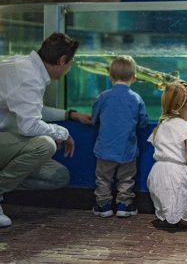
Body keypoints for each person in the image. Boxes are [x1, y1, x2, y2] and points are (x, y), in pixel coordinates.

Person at [0, 32, 92, 228]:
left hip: (5, 144)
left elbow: (31, 109)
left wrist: (70, 115)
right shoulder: (28, 77)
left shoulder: (27, 68)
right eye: (70, 64)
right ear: (62, 60)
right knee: (45, 145)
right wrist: (63, 133)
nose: (69, 69)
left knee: (57, 176)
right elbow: (29, 125)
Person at [147, 80, 187, 228]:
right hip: (178, 174)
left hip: (157, 174)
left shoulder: (159, 127)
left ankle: (169, 214)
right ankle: (183, 217)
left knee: (170, 189)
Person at [92, 56, 149, 218]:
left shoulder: (103, 97)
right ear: (134, 78)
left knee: (103, 178)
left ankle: (103, 206)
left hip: (105, 149)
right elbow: (143, 122)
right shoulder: (136, 98)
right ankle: (124, 205)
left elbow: (94, 117)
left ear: (110, 76)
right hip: (127, 149)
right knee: (126, 179)